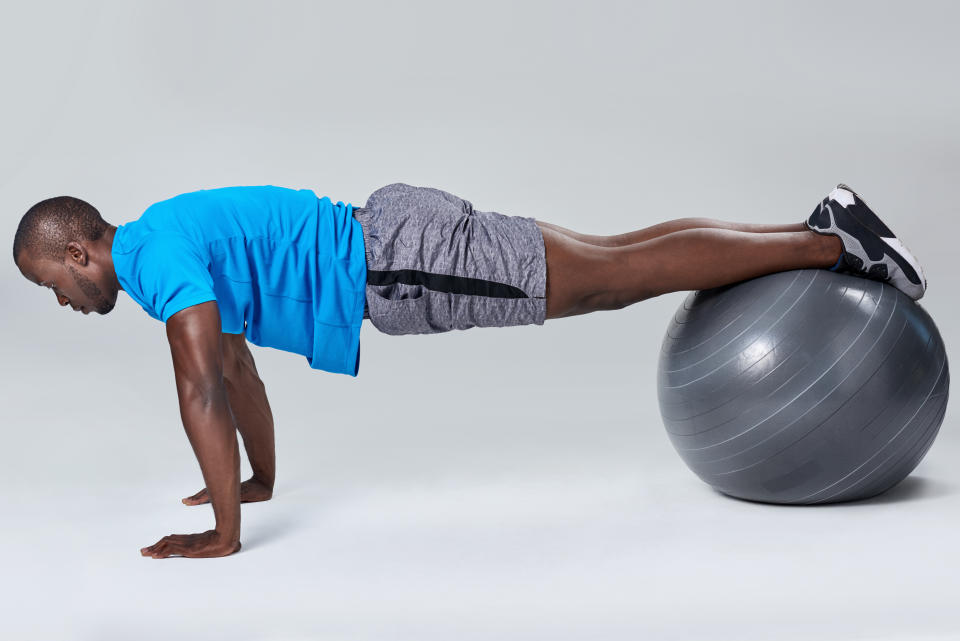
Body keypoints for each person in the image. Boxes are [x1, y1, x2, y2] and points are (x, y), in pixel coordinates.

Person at [11, 182, 927, 559]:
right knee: (611, 263)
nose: (61, 302)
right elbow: (240, 376)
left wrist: (221, 537)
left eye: (53, 283)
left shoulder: (158, 267)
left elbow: (201, 385)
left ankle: (829, 242)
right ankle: (826, 226)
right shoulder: (167, 246)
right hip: (395, 242)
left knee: (607, 280)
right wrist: (256, 480)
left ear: (82, 254)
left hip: (395, 259)